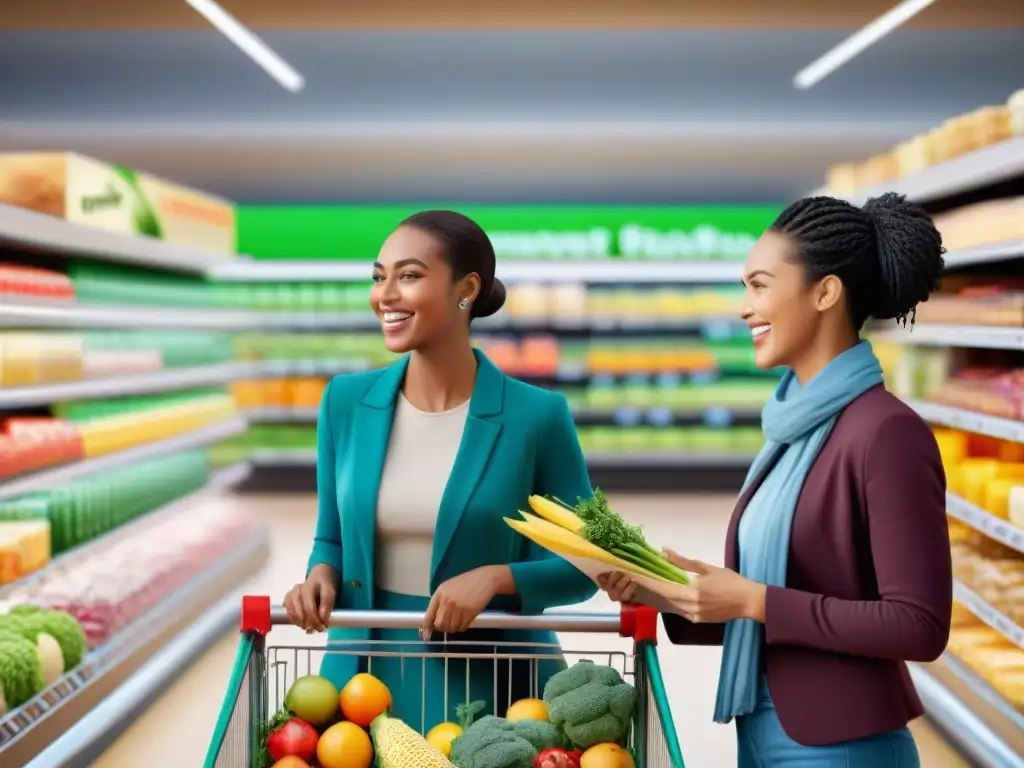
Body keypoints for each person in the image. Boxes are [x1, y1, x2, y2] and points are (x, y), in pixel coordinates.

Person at [599, 193, 951, 767]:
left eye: (759, 285)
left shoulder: (886, 432)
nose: (745, 307)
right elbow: (774, 602)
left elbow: (918, 625)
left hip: (842, 746)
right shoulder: (789, 428)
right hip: (760, 732)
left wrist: (756, 600)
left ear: (825, 292)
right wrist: (671, 594)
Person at [283, 209, 597, 732]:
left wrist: (497, 578)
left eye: (408, 276)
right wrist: (319, 577)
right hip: (363, 680)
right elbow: (331, 538)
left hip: (495, 687)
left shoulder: (536, 417)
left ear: (466, 289)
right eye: (379, 276)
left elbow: (582, 567)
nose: (385, 294)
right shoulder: (345, 402)